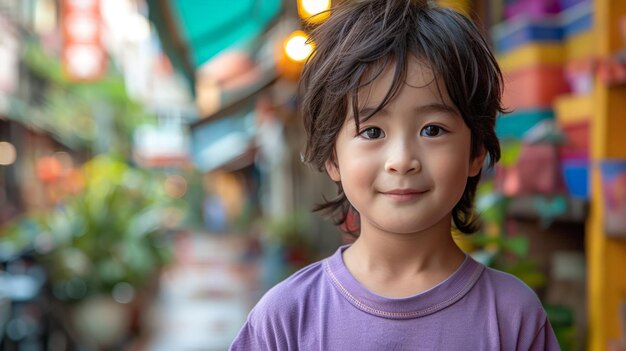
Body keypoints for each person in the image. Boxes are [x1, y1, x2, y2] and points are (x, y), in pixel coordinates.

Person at [231, 0, 560, 349]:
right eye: (372, 132)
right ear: (333, 157)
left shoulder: (512, 316)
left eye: (432, 129)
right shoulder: (286, 318)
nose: (402, 161)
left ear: (476, 151)